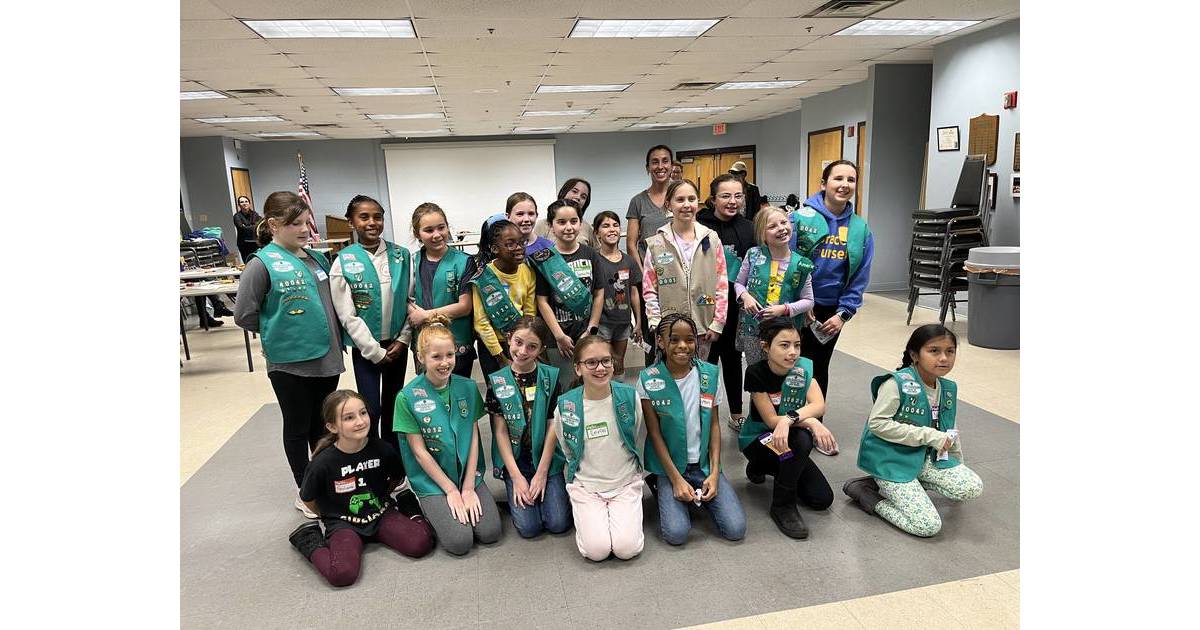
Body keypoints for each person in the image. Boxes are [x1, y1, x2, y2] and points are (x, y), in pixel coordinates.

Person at [233, 191, 344, 518]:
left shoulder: (317, 259)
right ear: (273, 225)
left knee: (322, 427)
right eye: (294, 223)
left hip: (326, 358)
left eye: (306, 222)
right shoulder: (261, 264)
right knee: (297, 426)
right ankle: (305, 491)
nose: (303, 229)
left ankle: (322, 478)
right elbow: (244, 314)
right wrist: (279, 332)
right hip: (290, 363)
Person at [843, 325, 983, 538]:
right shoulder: (896, 383)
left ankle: (913, 484)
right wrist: (929, 435)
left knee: (971, 487)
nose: (944, 358)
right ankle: (867, 494)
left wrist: (956, 464)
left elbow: (949, 429)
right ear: (914, 355)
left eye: (950, 351)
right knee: (927, 526)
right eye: (934, 351)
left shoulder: (948, 388)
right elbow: (878, 424)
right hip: (892, 460)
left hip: (927, 458)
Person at [288, 390, 435, 586]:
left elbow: (396, 478)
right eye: (349, 418)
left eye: (363, 413)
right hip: (343, 523)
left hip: (381, 513)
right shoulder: (322, 463)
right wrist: (332, 515)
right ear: (332, 426)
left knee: (422, 544)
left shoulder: (382, 449)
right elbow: (308, 499)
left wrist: (382, 498)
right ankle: (308, 539)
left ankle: (409, 505)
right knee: (342, 574)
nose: (360, 421)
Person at [394, 319, 502, 555]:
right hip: (433, 481)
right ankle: (421, 505)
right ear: (421, 357)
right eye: (436, 357)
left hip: (467, 474)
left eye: (449, 355)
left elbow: (473, 437)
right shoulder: (406, 397)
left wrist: (469, 486)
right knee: (459, 542)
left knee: (491, 532)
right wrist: (451, 491)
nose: (445, 363)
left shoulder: (468, 387)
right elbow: (419, 453)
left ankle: (463, 496)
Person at [639, 314, 746, 546]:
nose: (682, 346)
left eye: (689, 339)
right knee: (676, 534)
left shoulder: (709, 374)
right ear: (660, 342)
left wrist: (715, 473)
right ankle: (662, 484)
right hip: (670, 467)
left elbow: (715, 425)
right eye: (674, 339)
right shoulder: (648, 379)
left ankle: (701, 488)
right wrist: (676, 479)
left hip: (704, 465)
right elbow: (654, 434)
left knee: (735, 529)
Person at [788, 159, 874, 408]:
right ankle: (786, 420)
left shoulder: (861, 229)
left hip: (831, 311)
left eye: (851, 180)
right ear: (824, 183)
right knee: (791, 362)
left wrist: (843, 314)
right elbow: (789, 261)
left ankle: (814, 419)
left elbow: (860, 276)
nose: (844, 184)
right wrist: (799, 303)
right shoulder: (799, 219)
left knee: (819, 365)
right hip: (798, 306)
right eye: (838, 178)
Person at [739, 318, 835, 539]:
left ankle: (775, 468)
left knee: (822, 499)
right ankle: (782, 505)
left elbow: (819, 404)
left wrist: (789, 419)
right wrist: (810, 421)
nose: (792, 352)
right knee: (802, 439)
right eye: (784, 345)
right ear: (765, 346)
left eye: (797, 345)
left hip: (788, 437)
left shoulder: (804, 368)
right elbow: (772, 421)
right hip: (758, 440)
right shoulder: (755, 372)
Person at [329, 195, 412, 447]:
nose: (372, 222)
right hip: (366, 349)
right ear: (351, 222)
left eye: (377, 216)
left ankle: (392, 455)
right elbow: (347, 315)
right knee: (370, 407)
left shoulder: (402, 255)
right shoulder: (343, 261)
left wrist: (403, 338)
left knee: (393, 403)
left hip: (397, 344)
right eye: (363, 217)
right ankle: (372, 450)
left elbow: (411, 300)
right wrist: (374, 351)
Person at [554, 335, 647, 561]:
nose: (600, 368)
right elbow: (566, 447)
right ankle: (591, 512)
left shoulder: (628, 397)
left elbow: (635, 435)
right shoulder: (567, 406)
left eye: (606, 361)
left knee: (627, 549)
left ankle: (617, 511)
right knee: (597, 551)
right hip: (587, 485)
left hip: (624, 482)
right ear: (577, 368)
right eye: (591, 362)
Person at [485, 316, 572, 538]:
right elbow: (500, 432)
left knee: (558, 523)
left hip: (545, 456)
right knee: (529, 528)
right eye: (518, 342)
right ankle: (522, 492)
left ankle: (549, 491)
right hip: (516, 459)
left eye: (532, 347)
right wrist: (515, 476)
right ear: (508, 340)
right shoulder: (496, 381)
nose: (523, 351)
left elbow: (553, 424)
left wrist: (542, 472)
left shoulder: (551, 377)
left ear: (541, 348)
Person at [642, 179, 728, 360]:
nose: (686, 205)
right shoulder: (656, 243)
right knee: (674, 382)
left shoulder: (711, 239)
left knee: (700, 381)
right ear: (668, 204)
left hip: (703, 328)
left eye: (691, 199)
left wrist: (717, 323)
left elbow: (721, 284)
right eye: (680, 200)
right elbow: (649, 290)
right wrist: (656, 324)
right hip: (669, 330)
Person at [697, 174, 755, 431]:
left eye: (738, 195)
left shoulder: (749, 227)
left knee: (733, 361)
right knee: (704, 364)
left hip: (737, 307)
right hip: (705, 306)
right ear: (713, 199)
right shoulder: (699, 225)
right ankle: (703, 414)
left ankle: (736, 413)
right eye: (725, 196)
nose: (733, 201)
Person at [735, 206, 816, 379]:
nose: (781, 228)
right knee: (757, 376)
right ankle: (757, 406)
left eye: (784, 222)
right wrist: (745, 296)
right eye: (772, 226)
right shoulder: (753, 255)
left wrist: (784, 309)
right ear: (762, 234)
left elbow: (808, 301)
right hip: (754, 331)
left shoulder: (802, 264)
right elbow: (739, 284)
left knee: (783, 377)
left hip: (786, 334)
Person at [533, 199, 605, 391]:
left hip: (586, 333)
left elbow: (598, 294)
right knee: (564, 389)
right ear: (550, 225)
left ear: (580, 223)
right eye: (561, 222)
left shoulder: (591, 255)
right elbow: (542, 301)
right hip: (557, 338)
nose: (568, 227)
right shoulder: (544, 259)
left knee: (590, 387)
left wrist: (591, 329)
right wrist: (559, 336)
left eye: (574, 221)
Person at [408, 202, 478, 378]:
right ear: (418, 234)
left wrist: (426, 315)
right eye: (429, 230)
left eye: (441, 227)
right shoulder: (411, 262)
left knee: (458, 394)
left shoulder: (464, 262)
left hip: (456, 340)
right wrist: (413, 312)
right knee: (430, 396)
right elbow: (405, 297)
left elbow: (465, 306)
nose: (437, 235)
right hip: (424, 340)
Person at [470, 219, 538, 378]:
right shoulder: (483, 278)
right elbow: (482, 323)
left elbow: (529, 312)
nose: (519, 248)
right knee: (499, 392)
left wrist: (525, 345)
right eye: (510, 244)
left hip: (520, 342)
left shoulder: (527, 272)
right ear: (495, 249)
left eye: (522, 242)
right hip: (493, 347)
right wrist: (501, 358)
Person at [627, 145, 674, 364]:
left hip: (679, 279)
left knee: (677, 333)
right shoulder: (638, 201)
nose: (660, 166)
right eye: (655, 162)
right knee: (652, 334)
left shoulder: (681, 195)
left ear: (672, 165)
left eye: (665, 161)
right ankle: (654, 384)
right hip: (650, 281)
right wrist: (644, 274)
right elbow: (631, 243)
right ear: (648, 167)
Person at [591, 211, 642, 376]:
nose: (612, 229)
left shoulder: (629, 261)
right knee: (603, 364)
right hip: (602, 323)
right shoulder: (593, 260)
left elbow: (633, 292)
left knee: (618, 363)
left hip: (623, 322)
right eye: (605, 226)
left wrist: (639, 321)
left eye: (615, 225)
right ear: (597, 232)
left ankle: (620, 399)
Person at [534, 178, 595, 247]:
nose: (578, 197)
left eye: (583, 197)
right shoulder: (542, 225)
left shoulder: (588, 228)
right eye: (574, 191)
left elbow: (597, 252)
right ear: (564, 192)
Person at [232, 195, 261, 264]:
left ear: (249, 203)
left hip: (255, 243)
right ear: (239, 205)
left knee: (257, 263)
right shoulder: (237, 216)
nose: (244, 203)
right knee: (248, 263)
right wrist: (254, 226)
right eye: (242, 202)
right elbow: (241, 228)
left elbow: (260, 225)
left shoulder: (255, 214)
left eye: (246, 201)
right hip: (244, 245)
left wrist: (246, 226)